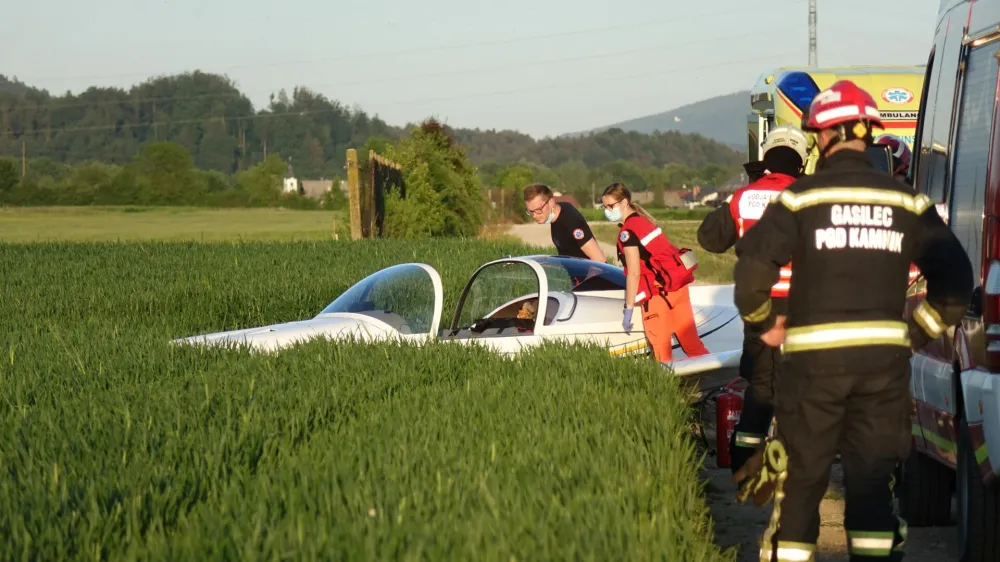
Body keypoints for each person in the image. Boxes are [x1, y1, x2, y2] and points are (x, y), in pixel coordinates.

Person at [731, 79, 974, 561]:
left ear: (823, 136)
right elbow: (956, 279)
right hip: (882, 369)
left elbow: (752, 272)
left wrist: (765, 324)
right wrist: (915, 331)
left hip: (811, 370)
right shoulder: (906, 202)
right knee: (871, 489)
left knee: (800, 485)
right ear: (868, 133)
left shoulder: (801, 199)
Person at [696, 125, 808, 480]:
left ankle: (746, 462)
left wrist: (739, 195)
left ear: (765, 159)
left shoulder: (743, 198)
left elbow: (710, 239)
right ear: (801, 163)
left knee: (761, 384)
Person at [601, 182, 710, 363]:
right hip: (677, 288)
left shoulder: (626, 233)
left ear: (624, 202)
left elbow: (634, 273)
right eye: (604, 207)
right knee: (693, 345)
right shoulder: (644, 221)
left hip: (657, 294)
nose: (606, 211)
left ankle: (667, 390)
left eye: (610, 206)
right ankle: (718, 385)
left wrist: (628, 309)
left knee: (662, 353)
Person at [523, 183, 606, 262]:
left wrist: (588, 277)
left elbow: (599, 259)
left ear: (551, 202)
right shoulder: (557, 213)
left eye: (538, 210)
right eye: (531, 212)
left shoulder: (571, 221)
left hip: (592, 274)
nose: (534, 215)